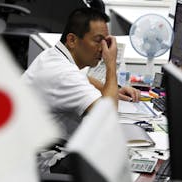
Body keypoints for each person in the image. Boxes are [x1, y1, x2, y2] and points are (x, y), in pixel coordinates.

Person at [22, 7, 140, 140]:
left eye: (105, 42)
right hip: (41, 155)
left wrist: (113, 90)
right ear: (72, 40)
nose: (103, 49)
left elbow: (83, 78)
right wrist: (111, 64)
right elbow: (109, 117)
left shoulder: (52, 56)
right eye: (97, 40)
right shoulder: (65, 75)